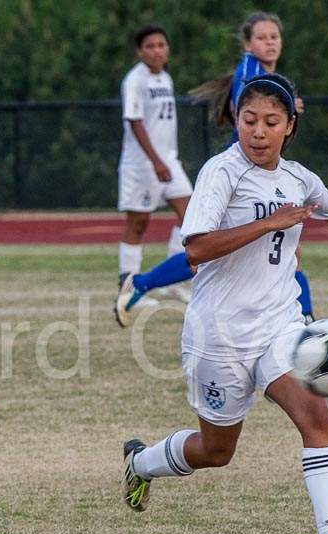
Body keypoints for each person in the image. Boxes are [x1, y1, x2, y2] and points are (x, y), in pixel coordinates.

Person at [120, 74, 328, 534]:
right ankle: (142, 463)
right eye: (248, 120)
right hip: (218, 335)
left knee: (317, 420)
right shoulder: (223, 173)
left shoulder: (299, 179)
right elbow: (194, 248)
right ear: (237, 121)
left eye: (270, 122)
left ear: (290, 127)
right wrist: (268, 223)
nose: (258, 132)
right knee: (217, 451)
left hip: (280, 325)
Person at [117, 12, 317, 326]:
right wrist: (284, 106)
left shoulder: (256, 71)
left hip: (253, 169)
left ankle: (303, 318)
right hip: (243, 172)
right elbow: (249, 108)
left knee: (273, 247)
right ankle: (304, 319)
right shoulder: (252, 70)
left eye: (274, 37)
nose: (269, 43)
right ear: (248, 43)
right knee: (214, 247)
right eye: (262, 37)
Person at [114, 24, 194, 320]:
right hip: (142, 165)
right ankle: (127, 286)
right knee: (138, 223)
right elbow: (135, 122)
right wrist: (156, 161)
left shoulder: (166, 78)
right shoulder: (134, 80)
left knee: (193, 215)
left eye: (162, 44)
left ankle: (175, 278)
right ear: (139, 51)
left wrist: (166, 160)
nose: (157, 50)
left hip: (169, 161)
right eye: (150, 46)